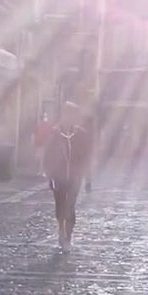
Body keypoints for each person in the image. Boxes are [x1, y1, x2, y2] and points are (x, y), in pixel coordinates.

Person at [45, 101, 93, 250]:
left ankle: (68, 237)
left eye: (73, 114)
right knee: (60, 205)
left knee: (70, 206)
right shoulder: (55, 133)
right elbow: (48, 155)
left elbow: (86, 157)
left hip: (75, 176)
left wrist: (88, 178)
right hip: (58, 175)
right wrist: (49, 175)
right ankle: (60, 229)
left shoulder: (81, 134)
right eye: (67, 114)